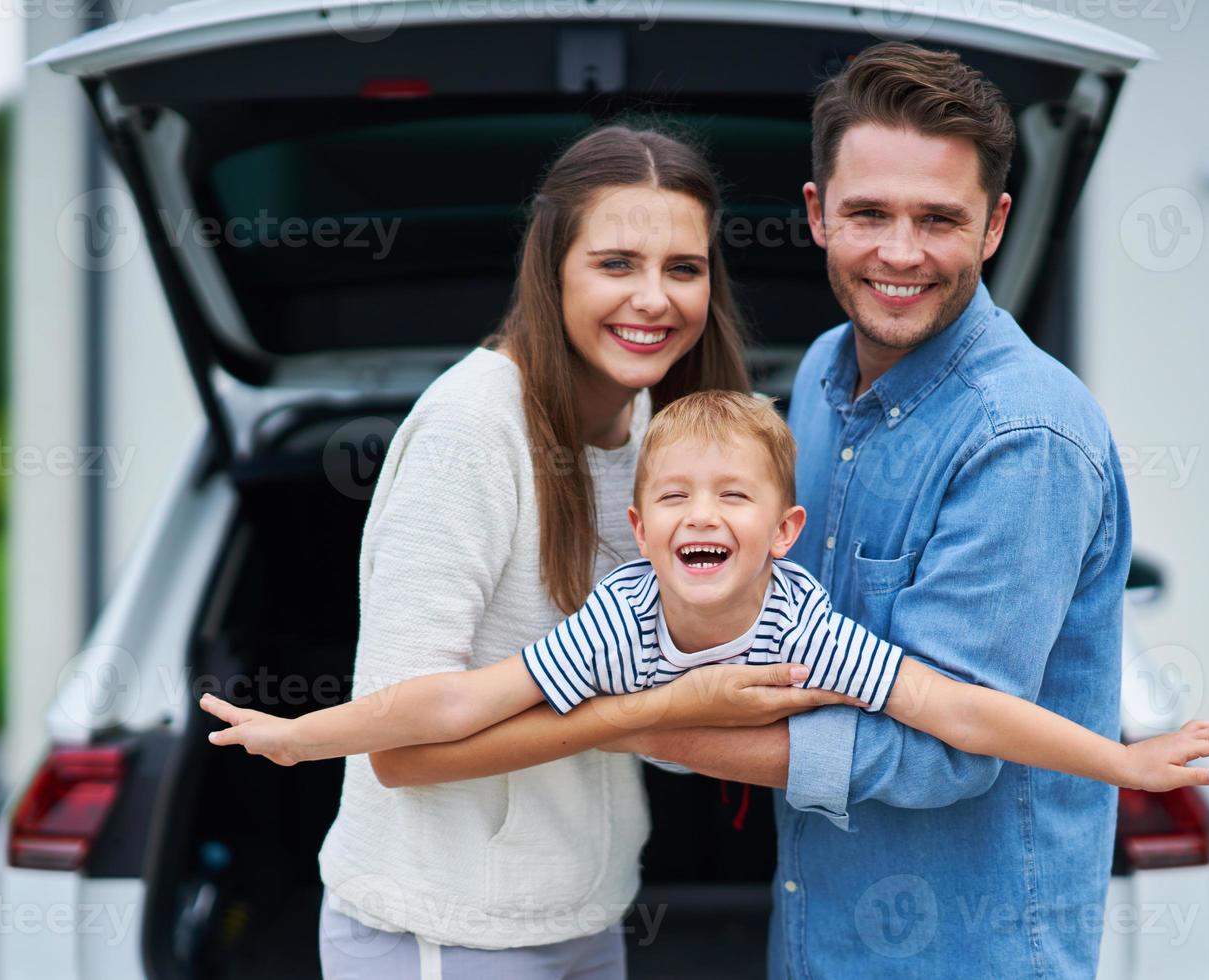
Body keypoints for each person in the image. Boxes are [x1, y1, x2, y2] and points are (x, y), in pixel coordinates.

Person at [613, 43, 1147, 978]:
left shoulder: (1025, 438)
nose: (900, 253)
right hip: (817, 938)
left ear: (993, 226)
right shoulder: (819, 375)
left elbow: (946, 752)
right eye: (868, 213)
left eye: (938, 219)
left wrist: (630, 724)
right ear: (817, 214)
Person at [307, 124, 856, 980]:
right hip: (445, 931)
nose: (654, 299)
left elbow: (656, 671)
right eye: (615, 265)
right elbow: (397, 744)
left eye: (683, 268)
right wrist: (651, 713)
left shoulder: (658, 436)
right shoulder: (471, 433)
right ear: (552, 265)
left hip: (585, 915)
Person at [201, 391, 1209, 799]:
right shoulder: (621, 616)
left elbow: (955, 705)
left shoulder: (799, 622)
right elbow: (457, 701)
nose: (705, 516)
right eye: (676, 498)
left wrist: (1120, 756)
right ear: (640, 531)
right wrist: (306, 731)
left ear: (786, 533)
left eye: (735, 495)